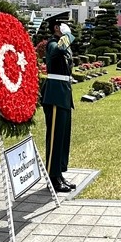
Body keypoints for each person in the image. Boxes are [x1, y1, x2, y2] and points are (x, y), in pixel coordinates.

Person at [41, 11, 76, 193]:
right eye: (64, 25)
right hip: (54, 94)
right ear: (56, 27)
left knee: (62, 138)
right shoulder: (52, 44)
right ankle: (52, 177)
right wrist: (68, 34)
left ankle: (59, 174)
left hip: (63, 94)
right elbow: (59, 49)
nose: (67, 28)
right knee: (54, 139)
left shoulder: (63, 44)